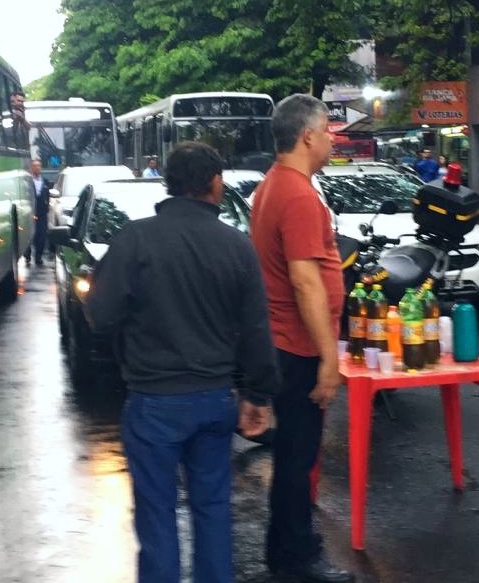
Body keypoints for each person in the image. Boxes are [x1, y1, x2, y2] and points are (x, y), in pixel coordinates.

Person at [86, 141, 280, 583]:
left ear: (169, 185)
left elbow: (100, 315)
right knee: (212, 508)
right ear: (215, 184)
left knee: (156, 515)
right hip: (214, 401)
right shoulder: (236, 246)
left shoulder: (134, 239)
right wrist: (258, 394)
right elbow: (255, 329)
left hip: (152, 401)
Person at [250, 94, 354, 583]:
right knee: (297, 458)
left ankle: (290, 549)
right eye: (328, 129)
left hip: (285, 343)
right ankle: (296, 561)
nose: (333, 138)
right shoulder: (293, 193)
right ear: (307, 135)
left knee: (294, 454)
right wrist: (328, 359)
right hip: (297, 348)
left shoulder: (276, 185)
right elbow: (304, 280)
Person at [26, 159, 51, 266]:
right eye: (35, 166)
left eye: (39, 166)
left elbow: (48, 196)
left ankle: (38, 257)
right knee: (29, 235)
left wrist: (46, 207)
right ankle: (27, 255)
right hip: (30, 213)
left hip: (41, 213)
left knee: (41, 235)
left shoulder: (44, 182)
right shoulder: (27, 182)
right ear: (31, 168)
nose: (37, 168)